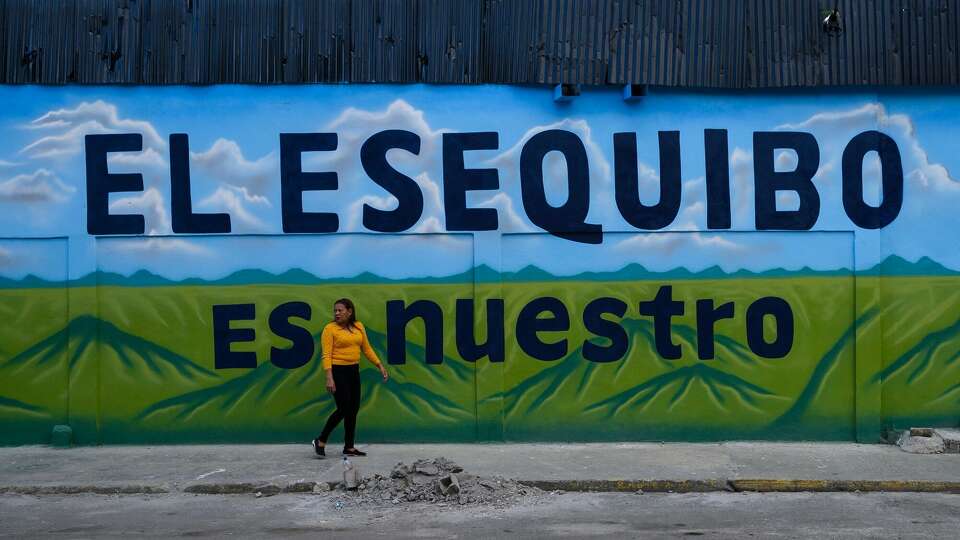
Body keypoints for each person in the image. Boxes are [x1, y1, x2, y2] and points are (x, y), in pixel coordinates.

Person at [312, 298, 388, 457]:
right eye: (335, 311)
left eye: (340, 310)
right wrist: (329, 377)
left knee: (353, 410)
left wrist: (379, 365)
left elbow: (366, 348)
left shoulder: (358, 326)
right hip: (338, 371)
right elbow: (326, 355)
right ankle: (320, 439)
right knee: (343, 408)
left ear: (350, 311)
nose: (337, 313)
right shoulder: (330, 329)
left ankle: (349, 446)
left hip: (353, 371)